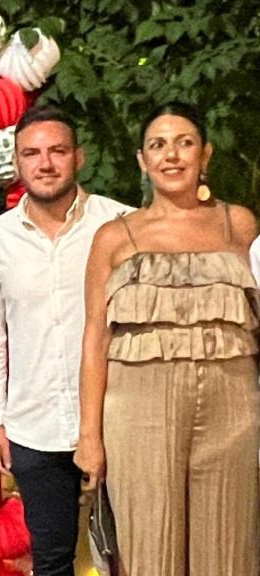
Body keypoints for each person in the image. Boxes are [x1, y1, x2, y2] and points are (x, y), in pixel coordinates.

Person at [74, 102, 259, 576]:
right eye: (158, 145)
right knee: (149, 547)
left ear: (206, 154)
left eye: (184, 143)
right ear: (142, 159)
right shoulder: (114, 238)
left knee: (229, 544)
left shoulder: (238, 224)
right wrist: (90, 437)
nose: (171, 155)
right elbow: (95, 337)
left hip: (233, 409)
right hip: (138, 414)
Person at [0, 104, 129, 576]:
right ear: (17, 163)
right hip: (33, 424)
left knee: (132, 551)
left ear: (78, 157)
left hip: (116, 415)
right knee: (52, 560)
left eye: (57, 151)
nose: (45, 163)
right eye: (32, 154)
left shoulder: (120, 224)